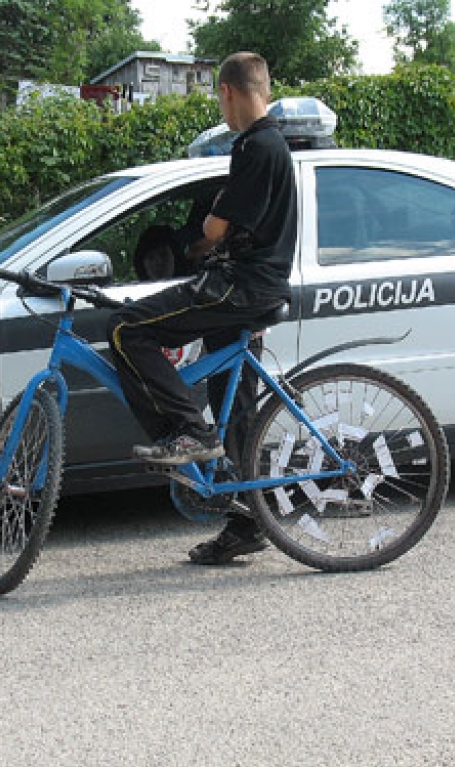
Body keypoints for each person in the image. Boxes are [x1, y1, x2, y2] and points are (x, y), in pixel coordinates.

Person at [106, 51, 298, 566]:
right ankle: (247, 523)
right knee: (235, 406)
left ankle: (188, 431)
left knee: (126, 329)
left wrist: (209, 224)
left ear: (227, 92)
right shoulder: (272, 144)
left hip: (240, 286)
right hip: (256, 288)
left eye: (219, 97)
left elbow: (216, 229)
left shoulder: (255, 145)